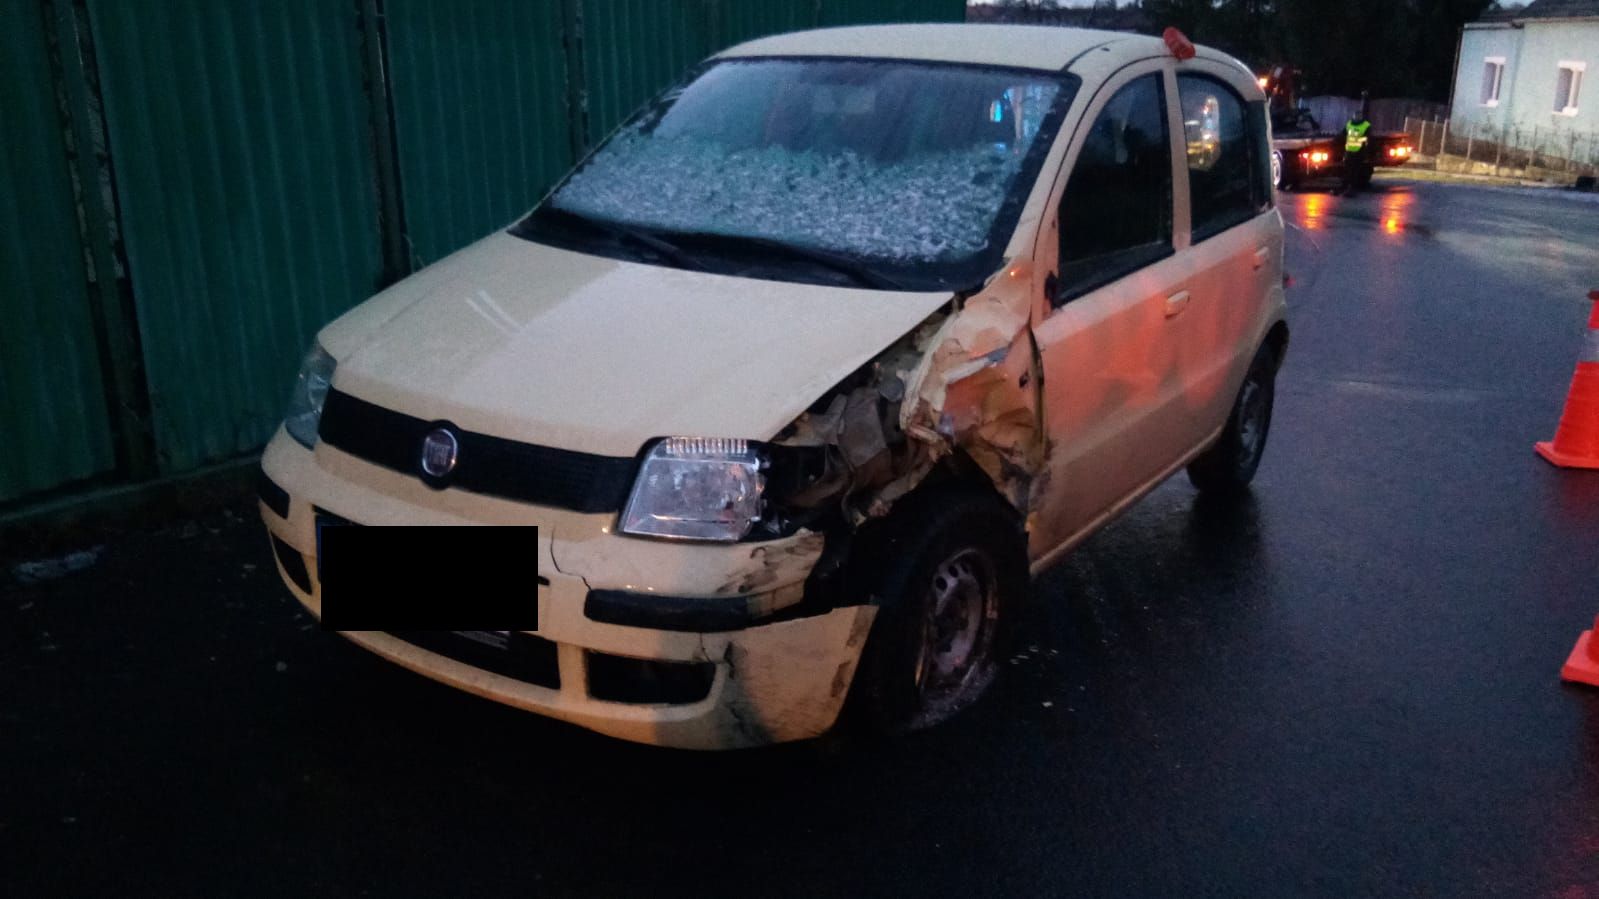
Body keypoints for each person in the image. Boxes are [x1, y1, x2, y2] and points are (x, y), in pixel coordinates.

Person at [1339, 92, 1374, 195]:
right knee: (1347, 170)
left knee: (1355, 170)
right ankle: (1345, 186)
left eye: (1359, 115)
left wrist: (1366, 149)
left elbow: (1368, 138)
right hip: (1349, 151)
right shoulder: (1349, 124)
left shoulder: (1365, 125)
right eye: (1356, 115)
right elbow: (1343, 134)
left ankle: (1352, 188)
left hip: (1359, 152)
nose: (1357, 117)